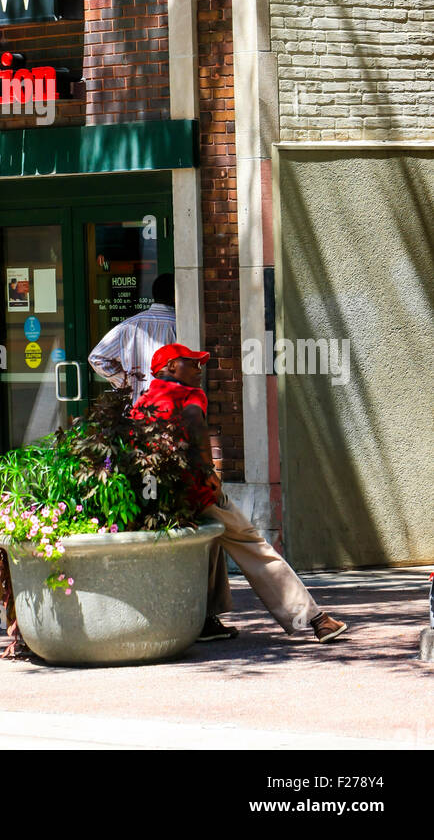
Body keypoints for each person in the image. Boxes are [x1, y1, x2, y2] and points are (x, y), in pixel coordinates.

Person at [134, 343, 348, 645]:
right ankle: (314, 619)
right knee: (253, 546)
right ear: (170, 367)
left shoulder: (142, 402)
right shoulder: (190, 394)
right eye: (192, 363)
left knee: (210, 543)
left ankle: (206, 620)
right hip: (199, 491)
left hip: (165, 496)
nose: (199, 369)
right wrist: (209, 472)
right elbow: (195, 422)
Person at [87, 272, 176, 402]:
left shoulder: (129, 325)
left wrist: (125, 382)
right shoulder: (180, 325)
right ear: (176, 295)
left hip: (138, 406)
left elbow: (97, 358)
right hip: (172, 404)